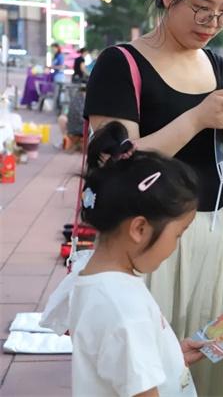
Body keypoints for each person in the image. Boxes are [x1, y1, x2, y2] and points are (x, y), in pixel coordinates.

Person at [84, 0, 223, 394]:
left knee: (206, 360)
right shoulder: (121, 63)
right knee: (144, 370)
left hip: (211, 233)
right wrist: (198, 117)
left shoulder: (222, 68)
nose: (212, 24)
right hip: (145, 236)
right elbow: (116, 159)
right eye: (202, 8)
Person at [41, 121, 206, 396]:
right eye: (178, 234)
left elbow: (116, 362)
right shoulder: (124, 309)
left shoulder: (92, 279)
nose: (176, 246)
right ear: (139, 229)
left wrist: (171, 356)